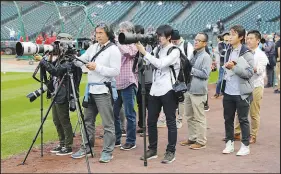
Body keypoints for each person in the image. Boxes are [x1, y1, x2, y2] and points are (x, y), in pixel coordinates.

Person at [71, 22, 121, 163]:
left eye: (101, 33)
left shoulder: (114, 50)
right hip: (91, 89)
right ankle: (86, 147)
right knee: (88, 121)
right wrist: (73, 58)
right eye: (96, 33)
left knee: (107, 123)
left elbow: (115, 71)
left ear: (108, 34)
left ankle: (107, 151)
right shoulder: (93, 47)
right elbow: (82, 60)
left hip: (104, 90)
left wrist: (97, 67)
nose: (98, 35)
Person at [135, 24, 180, 164]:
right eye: (157, 35)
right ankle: (152, 149)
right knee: (150, 121)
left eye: (161, 36)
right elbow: (148, 62)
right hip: (155, 89)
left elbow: (161, 64)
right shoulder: (156, 49)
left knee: (171, 122)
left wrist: (145, 52)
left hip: (168, 90)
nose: (158, 38)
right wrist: (143, 52)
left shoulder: (175, 51)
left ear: (168, 37)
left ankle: (170, 151)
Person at [34, 33, 82, 156]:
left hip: (64, 93)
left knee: (64, 119)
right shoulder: (61, 57)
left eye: (59, 44)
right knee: (56, 120)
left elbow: (56, 71)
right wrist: (47, 59)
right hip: (56, 92)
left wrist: (42, 61)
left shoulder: (71, 59)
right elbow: (53, 68)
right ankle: (61, 143)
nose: (56, 46)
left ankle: (68, 145)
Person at [221, 25, 254, 156]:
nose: (230, 37)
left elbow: (249, 73)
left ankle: (245, 145)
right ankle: (229, 143)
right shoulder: (228, 50)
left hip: (241, 92)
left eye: (233, 34)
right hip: (228, 91)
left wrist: (234, 67)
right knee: (228, 119)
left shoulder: (247, 53)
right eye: (230, 34)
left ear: (241, 37)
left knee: (243, 119)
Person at [234, 30, 268, 144]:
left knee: (254, 112)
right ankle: (237, 133)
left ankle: (253, 135)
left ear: (258, 40)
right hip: (244, 84)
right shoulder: (243, 52)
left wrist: (244, 68)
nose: (248, 40)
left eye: (251, 38)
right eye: (247, 38)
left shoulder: (261, 55)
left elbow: (259, 70)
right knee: (240, 111)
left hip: (256, 86)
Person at [179, 32, 212, 150]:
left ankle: (201, 141)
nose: (196, 41)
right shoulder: (194, 54)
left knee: (199, 117)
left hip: (198, 90)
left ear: (205, 43)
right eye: (195, 40)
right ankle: (192, 138)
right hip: (189, 89)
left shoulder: (206, 56)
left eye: (199, 40)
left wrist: (191, 69)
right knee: (189, 116)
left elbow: (205, 74)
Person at [114, 21, 138, 150]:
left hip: (129, 82)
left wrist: (117, 41)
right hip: (116, 83)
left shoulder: (134, 44)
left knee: (130, 114)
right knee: (114, 113)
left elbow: (129, 53)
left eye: (123, 30)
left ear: (130, 32)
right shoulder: (118, 44)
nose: (121, 32)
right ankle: (117, 139)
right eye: (120, 30)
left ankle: (131, 141)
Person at [170, 29, 194, 129]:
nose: (173, 42)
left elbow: (190, 61)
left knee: (181, 98)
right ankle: (169, 119)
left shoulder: (187, 45)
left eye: (174, 41)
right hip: (171, 76)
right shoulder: (171, 46)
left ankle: (179, 119)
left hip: (183, 76)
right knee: (170, 98)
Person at [133, 24, 154, 135]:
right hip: (139, 79)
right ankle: (142, 125)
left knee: (149, 104)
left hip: (149, 78)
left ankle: (149, 126)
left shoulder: (150, 45)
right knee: (140, 103)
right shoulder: (133, 46)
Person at [212, 32, 230, 99]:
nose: (227, 37)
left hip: (229, 65)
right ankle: (217, 93)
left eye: (228, 36)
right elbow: (222, 52)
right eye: (225, 36)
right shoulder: (221, 44)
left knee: (227, 79)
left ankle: (224, 92)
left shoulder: (230, 44)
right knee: (220, 79)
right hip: (222, 65)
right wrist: (228, 50)